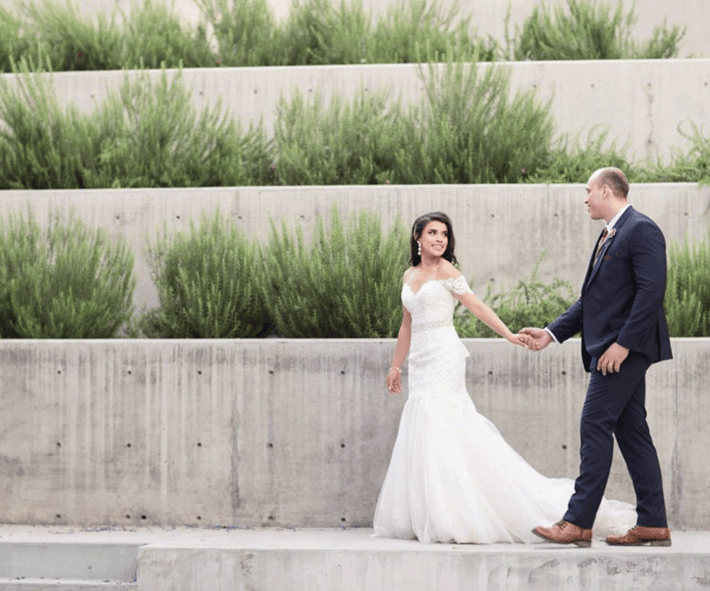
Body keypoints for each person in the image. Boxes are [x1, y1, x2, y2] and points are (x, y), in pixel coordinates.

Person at [372, 211, 636, 544]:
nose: (440, 239)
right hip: (420, 362)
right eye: (433, 233)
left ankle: (454, 514)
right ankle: (428, 511)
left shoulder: (448, 272)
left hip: (444, 356)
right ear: (418, 237)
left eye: (445, 234)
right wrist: (397, 366)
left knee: (440, 422)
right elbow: (406, 324)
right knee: (423, 425)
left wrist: (510, 335)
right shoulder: (409, 274)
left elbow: (477, 307)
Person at [522, 167, 673, 547]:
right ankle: (653, 522)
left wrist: (623, 344)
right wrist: (552, 333)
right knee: (632, 432)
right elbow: (590, 300)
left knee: (593, 425)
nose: (585, 198)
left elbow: (652, 292)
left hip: (624, 351)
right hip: (617, 349)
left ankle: (577, 522)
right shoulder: (610, 233)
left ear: (606, 191)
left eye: (589, 190)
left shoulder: (641, 229)